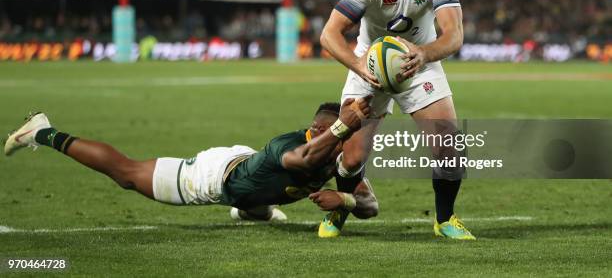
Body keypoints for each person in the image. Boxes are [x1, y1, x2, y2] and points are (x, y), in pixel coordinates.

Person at [319, 0, 475, 239]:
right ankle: (341, 209)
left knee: (449, 146)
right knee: (352, 155)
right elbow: (330, 34)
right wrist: (359, 65)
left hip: (420, 62)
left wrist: (424, 54)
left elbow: (454, 34)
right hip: (370, 64)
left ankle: (445, 220)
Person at [4, 98, 378, 224]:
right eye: (341, 134)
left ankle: (253, 210)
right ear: (318, 128)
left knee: (265, 189)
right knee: (128, 175)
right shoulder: (297, 144)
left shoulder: (344, 158)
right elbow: (302, 159)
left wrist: (344, 199)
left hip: (249, 172)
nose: (348, 143)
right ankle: (42, 131)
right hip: (213, 177)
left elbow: (370, 205)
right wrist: (343, 128)